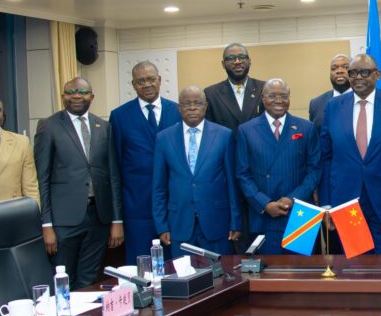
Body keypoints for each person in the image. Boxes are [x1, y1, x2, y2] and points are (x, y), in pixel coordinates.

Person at [321, 54, 381, 254]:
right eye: (353, 73)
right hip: (347, 204)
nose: (358, 77)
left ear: (377, 74)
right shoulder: (333, 107)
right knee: (353, 269)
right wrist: (327, 204)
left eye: (365, 72)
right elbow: (326, 158)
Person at [34, 78, 123, 288]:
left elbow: (113, 176)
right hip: (63, 221)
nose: (76, 96)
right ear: (63, 96)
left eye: (82, 92)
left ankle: (86, 311)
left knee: (89, 280)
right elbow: (42, 178)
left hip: (98, 218)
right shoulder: (49, 126)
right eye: (71, 92)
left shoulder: (104, 127)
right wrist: (46, 225)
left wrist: (117, 220)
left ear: (92, 97)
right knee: (63, 280)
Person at [153, 86, 241, 256]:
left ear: (206, 106)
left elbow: (232, 183)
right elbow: (159, 187)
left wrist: (235, 221)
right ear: (179, 108)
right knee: (183, 271)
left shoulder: (224, 135)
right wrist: (161, 225)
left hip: (217, 223)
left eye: (198, 103)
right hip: (179, 224)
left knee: (219, 272)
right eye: (187, 104)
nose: (192, 108)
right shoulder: (164, 138)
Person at [237, 79, 321, 254]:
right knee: (269, 269)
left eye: (283, 96)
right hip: (263, 215)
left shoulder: (307, 128)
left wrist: (293, 198)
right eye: (272, 96)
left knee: (303, 268)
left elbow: (314, 170)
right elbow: (242, 174)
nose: (278, 100)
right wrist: (265, 203)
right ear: (262, 98)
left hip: (300, 214)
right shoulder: (246, 130)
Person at [109, 61, 181, 262]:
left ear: (160, 80)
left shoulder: (177, 111)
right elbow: (115, 167)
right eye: (141, 81)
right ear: (133, 84)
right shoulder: (119, 116)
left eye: (151, 79)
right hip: (137, 209)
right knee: (141, 267)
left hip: (173, 207)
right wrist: (117, 217)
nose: (147, 84)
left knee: (175, 267)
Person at [204, 42, 265, 132]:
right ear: (223, 64)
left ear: (249, 61)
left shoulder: (264, 89)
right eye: (231, 58)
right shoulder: (211, 94)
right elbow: (209, 131)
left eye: (242, 57)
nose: (237, 61)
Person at [309, 53, 351, 132]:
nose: (339, 71)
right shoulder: (316, 104)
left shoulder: (363, 100)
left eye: (346, 67)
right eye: (334, 68)